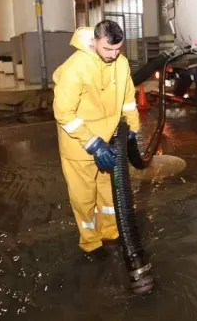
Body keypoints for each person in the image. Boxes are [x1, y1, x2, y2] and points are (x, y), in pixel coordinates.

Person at [53, 20, 140, 260]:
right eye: (107, 49)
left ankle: (110, 232)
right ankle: (90, 242)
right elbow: (63, 113)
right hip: (79, 147)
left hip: (110, 141)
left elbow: (128, 99)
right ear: (94, 42)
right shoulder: (74, 69)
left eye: (118, 49)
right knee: (84, 198)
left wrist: (133, 126)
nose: (113, 55)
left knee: (109, 192)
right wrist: (92, 143)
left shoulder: (121, 63)